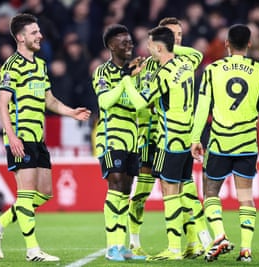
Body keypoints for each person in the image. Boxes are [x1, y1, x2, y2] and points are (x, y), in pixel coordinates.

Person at [0, 13, 91, 262]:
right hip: (20, 137)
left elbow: (49, 99)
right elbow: (2, 105)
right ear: (21, 38)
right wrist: (12, 137)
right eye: (34, 32)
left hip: (38, 138)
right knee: (26, 194)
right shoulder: (11, 66)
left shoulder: (40, 65)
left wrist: (70, 112)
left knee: (44, 193)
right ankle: (32, 250)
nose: (39, 35)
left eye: (39, 31)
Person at [191, 24, 259, 262]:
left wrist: (195, 138)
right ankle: (246, 249)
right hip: (246, 143)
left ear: (227, 45)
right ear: (250, 44)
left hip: (221, 141)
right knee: (245, 196)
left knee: (210, 191)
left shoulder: (213, 70)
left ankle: (220, 235)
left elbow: (203, 107)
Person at [128, 17, 210, 258]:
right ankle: (137, 241)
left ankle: (184, 244)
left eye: (180, 35)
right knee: (156, 191)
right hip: (155, 137)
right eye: (173, 35)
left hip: (168, 138)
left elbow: (140, 102)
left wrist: (127, 80)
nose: (178, 38)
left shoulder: (172, 65)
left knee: (174, 191)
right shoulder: (178, 65)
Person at [91, 24, 146, 262]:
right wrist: (125, 79)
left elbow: (139, 104)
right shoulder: (102, 72)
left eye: (130, 42)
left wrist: (128, 79)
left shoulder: (136, 73)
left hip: (132, 139)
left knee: (125, 191)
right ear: (111, 46)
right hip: (111, 137)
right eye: (124, 43)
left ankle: (121, 246)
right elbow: (105, 101)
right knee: (114, 186)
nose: (129, 46)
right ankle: (111, 246)